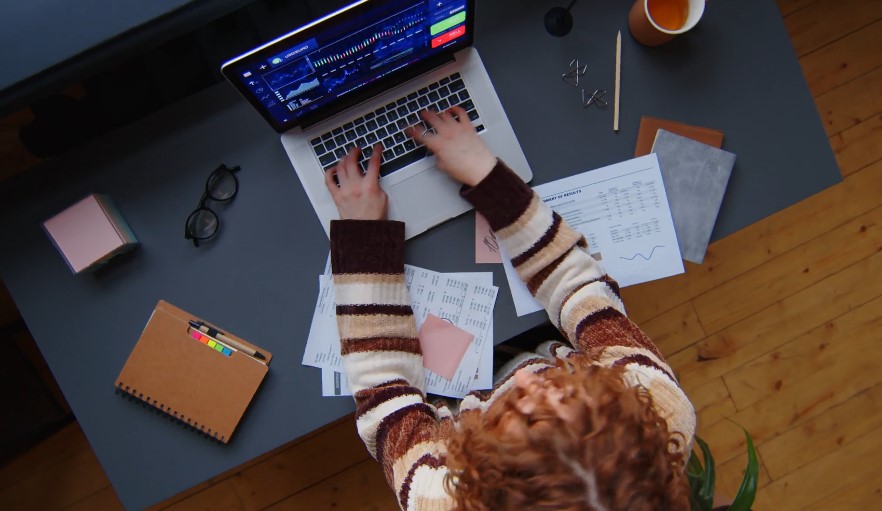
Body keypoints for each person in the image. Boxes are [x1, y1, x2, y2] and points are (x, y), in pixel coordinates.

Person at [325, 105, 696, 510]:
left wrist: (363, 243)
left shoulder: (436, 497)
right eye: (567, 395)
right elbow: (576, 285)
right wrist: (488, 177)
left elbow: (385, 395)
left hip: (446, 403)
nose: (523, 383)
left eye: (519, 416)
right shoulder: (654, 412)